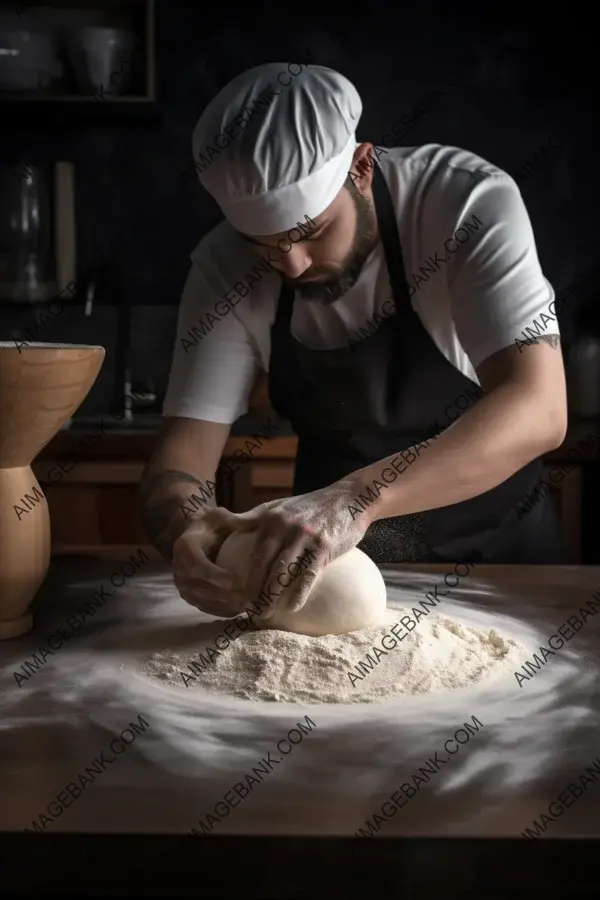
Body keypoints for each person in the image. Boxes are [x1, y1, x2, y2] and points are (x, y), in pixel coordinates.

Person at [139, 61, 568, 623]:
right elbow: (178, 464)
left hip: (505, 572)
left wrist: (355, 498)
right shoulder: (224, 268)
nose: (291, 264)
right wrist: (184, 526)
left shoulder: (464, 204)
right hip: (320, 590)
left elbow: (540, 406)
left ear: (362, 166)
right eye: (263, 245)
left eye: (311, 233)